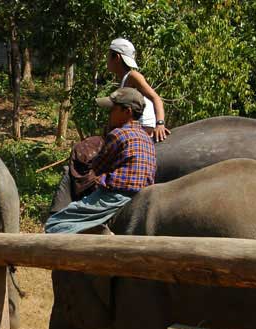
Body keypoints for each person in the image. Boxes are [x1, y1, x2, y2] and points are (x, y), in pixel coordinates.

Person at [45, 88, 156, 234]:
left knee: (55, 224)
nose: (109, 114)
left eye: (113, 109)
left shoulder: (118, 134)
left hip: (115, 195)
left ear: (127, 111)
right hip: (142, 193)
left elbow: (97, 167)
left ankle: (100, 232)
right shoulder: (147, 138)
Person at [107, 37, 170, 142]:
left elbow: (156, 98)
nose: (107, 60)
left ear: (117, 57)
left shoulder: (133, 76)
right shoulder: (124, 79)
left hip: (142, 126)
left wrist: (160, 124)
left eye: (108, 56)